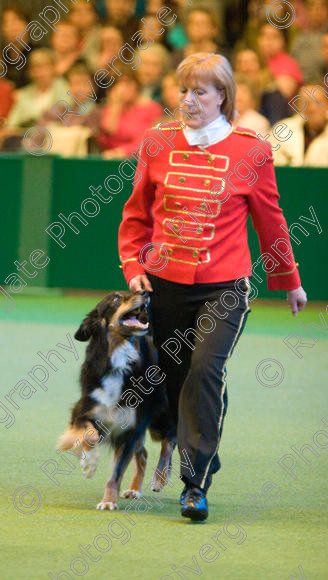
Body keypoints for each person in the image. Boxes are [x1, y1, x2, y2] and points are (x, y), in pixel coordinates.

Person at [118, 53, 307, 521]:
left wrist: (290, 281)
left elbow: (270, 220)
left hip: (226, 286)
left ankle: (194, 482)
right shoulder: (157, 143)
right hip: (163, 284)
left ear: (223, 96)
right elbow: (136, 214)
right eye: (183, 91)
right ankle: (205, 447)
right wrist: (132, 264)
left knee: (205, 370)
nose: (189, 100)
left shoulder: (251, 149)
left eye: (199, 92)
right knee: (178, 380)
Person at [271, 83, 328, 167]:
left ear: (326, 104)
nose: (312, 108)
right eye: (306, 103)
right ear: (298, 106)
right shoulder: (282, 130)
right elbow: (272, 163)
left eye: (317, 102)